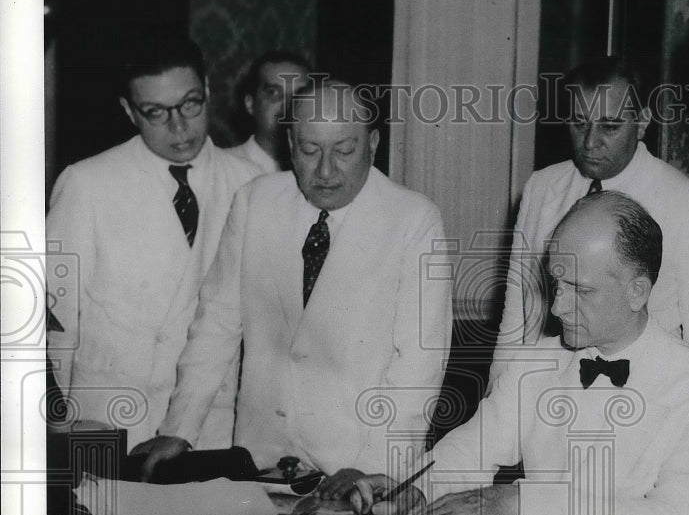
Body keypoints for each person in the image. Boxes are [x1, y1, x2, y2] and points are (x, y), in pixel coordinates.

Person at [352, 192, 689, 515]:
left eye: (580, 290)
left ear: (638, 292)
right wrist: (417, 489)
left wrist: (519, 502)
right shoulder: (537, 363)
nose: (558, 307)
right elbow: (471, 449)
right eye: (555, 283)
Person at [132, 80, 453, 489]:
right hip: (260, 459)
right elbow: (217, 323)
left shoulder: (414, 219)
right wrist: (179, 427)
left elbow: (419, 366)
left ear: (373, 143)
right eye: (309, 150)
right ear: (289, 142)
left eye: (344, 151)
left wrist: (376, 467)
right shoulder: (255, 200)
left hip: (358, 464)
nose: (325, 170)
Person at [46, 34, 260, 450]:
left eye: (190, 104)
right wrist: (57, 430)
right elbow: (54, 323)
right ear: (129, 111)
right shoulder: (87, 183)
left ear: (209, 92)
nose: (178, 127)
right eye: (156, 112)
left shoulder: (250, 184)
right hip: (109, 426)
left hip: (209, 430)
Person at [497, 55, 689, 361]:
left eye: (610, 126)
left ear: (642, 121)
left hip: (643, 396)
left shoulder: (688, 205)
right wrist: (498, 396)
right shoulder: (541, 187)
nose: (590, 142)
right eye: (579, 123)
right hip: (544, 387)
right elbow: (516, 313)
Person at [226, 50, 311, 173]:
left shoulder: (320, 172)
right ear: (250, 104)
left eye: (299, 94)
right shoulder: (224, 168)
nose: (288, 104)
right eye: (273, 92)